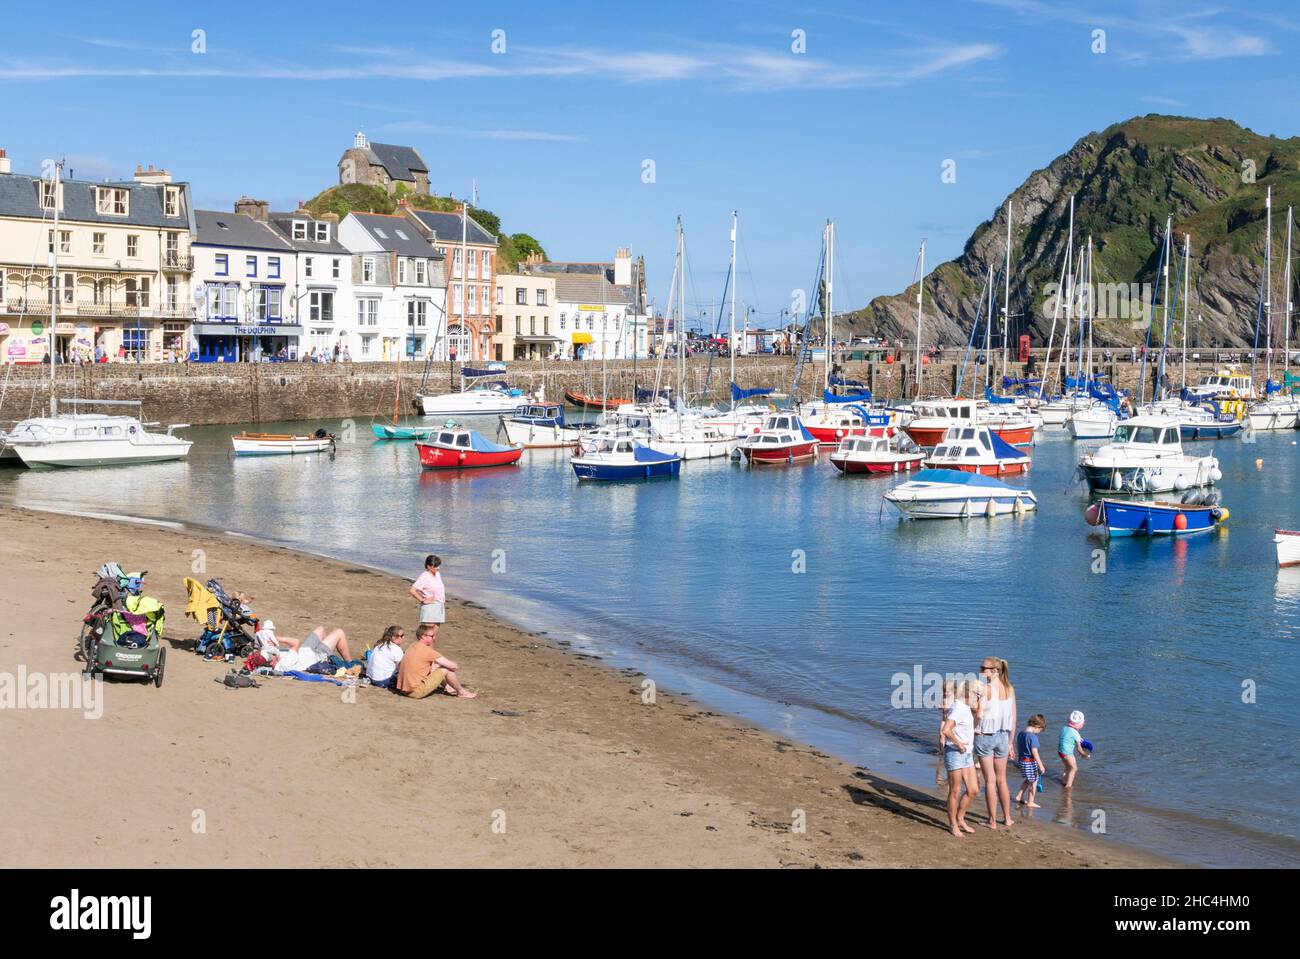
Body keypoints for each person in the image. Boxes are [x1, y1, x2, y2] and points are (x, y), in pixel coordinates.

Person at [974, 657, 1016, 829]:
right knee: (1002, 780)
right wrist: (1011, 741)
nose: (981, 670)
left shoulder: (985, 689)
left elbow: (978, 714)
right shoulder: (1009, 688)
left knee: (990, 781)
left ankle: (992, 820)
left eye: (984, 668)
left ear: (995, 670)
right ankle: (1007, 818)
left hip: (986, 736)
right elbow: (1013, 718)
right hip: (1003, 737)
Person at [395, 623, 475, 699]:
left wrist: (436, 665)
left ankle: (448, 687)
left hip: (403, 689)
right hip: (414, 692)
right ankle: (461, 692)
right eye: (432, 636)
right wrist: (444, 664)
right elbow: (454, 667)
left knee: (434, 665)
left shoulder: (412, 645)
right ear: (423, 636)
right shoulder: (428, 651)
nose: (434, 638)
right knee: (445, 669)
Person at [940, 679, 978, 838]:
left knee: (973, 790)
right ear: (970, 693)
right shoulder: (958, 708)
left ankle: (960, 818)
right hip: (955, 753)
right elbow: (946, 730)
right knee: (955, 790)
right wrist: (959, 744)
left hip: (967, 754)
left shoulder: (965, 707)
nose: (980, 698)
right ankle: (953, 825)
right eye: (979, 695)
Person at [269, 626, 353, 672]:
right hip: (316, 656)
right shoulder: (284, 664)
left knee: (321, 629)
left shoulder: (273, 659)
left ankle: (329, 654)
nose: (273, 652)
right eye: (272, 655)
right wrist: (275, 638)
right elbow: (296, 642)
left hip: (305, 649)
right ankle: (351, 666)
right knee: (339, 632)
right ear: (272, 662)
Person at [1014, 714, 1047, 807]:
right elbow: (1035, 752)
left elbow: (1018, 746)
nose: (1039, 732)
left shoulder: (1021, 734)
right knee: (1034, 782)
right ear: (1037, 726)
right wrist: (1040, 765)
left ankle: (1019, 796)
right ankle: (1030, 802)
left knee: (1028, 780)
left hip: (1022, 761)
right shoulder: (1032, 737)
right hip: (1029, 762)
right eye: (1040, 730)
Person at [409, 555, 446, 626]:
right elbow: (412, 590)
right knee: (426, 634)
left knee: (433, 636)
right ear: (429, 566)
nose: (438, 568)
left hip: (439, 606)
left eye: (438, 566)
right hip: (430, 608)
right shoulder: (424, 576)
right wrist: (422, 600)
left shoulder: (437, 574)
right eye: (435, 566)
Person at [1059, 710, 1088, 788]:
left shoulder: (1064, 728)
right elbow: (1079, 749)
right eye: (1083, 723)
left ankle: (1064, 782)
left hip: (1061, 752)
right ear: (1079, 724)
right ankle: (1068, 786)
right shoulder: (1076, 733)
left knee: (1067, 767)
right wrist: (1084, 754)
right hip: (1068, 753)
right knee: (1074, 768)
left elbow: (1067, 737)